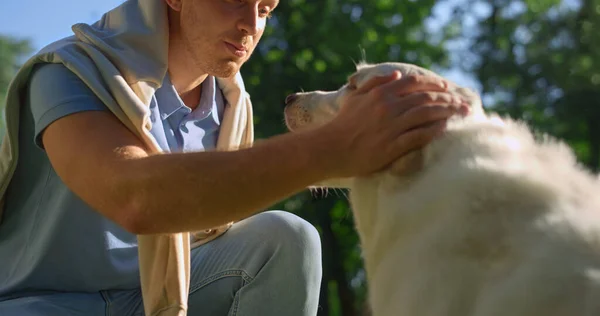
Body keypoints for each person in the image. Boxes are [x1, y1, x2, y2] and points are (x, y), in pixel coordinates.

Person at [0, 0, 468, 315]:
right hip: (44, 304)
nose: (252, 25)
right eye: (235, 0)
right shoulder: (71, 72)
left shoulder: (230, 105)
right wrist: (329, 147)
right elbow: (136, 197)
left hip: (159, 300)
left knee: (288, 236)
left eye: (265, 7)